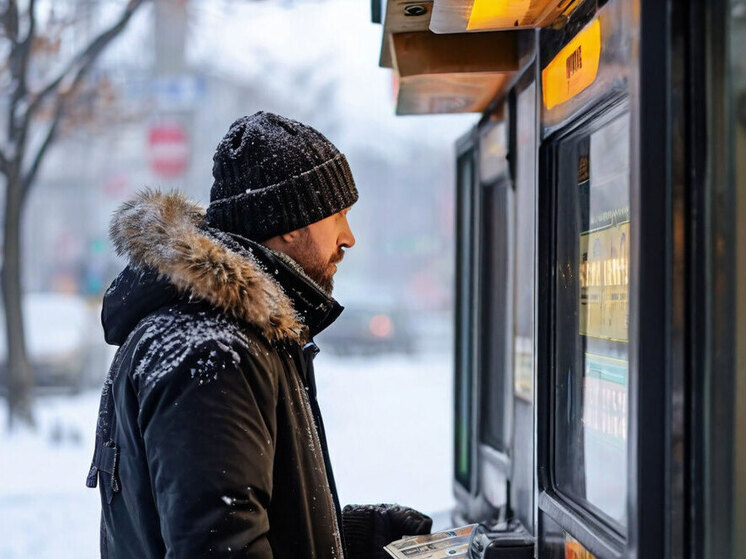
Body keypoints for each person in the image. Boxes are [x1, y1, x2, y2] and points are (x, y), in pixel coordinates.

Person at [86, 111, 431, 558]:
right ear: (290, 221)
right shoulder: (211, 350)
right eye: (338, 214)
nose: (349, 237)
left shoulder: (231, 334)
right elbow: (222, 547)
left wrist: (358, 536)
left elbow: (236, 516)